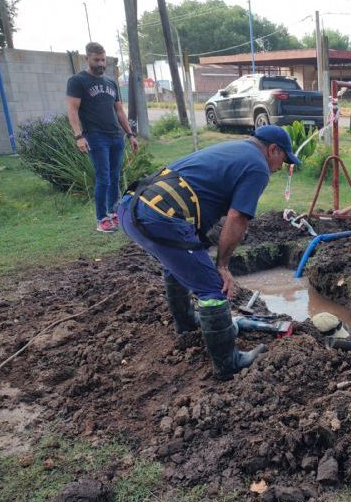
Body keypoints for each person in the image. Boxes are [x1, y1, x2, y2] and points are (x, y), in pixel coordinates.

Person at [117, 125, 301, 380]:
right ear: (272, 149)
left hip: (131, 207)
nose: (281, 166)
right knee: (212, 288)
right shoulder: (258, 166)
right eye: (283, 159)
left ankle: (186, 323)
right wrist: (222, 266)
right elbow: (237, 218)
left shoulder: (235, 149)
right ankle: (229, 363)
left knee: (179, 262)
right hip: (158, 216)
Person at [67, 41, 139, 233]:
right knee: (103, 178)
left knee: (114, 177)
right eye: (96, 60)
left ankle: (113, 212)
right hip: (96, 136)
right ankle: (101, 219)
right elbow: (72, 110)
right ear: (87, 59)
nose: (100, 63)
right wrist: (78, 136)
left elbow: (120, 112)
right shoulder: (77, 81)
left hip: (116, 136)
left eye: (103, 60)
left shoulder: (111, 83)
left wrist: (130, 134)